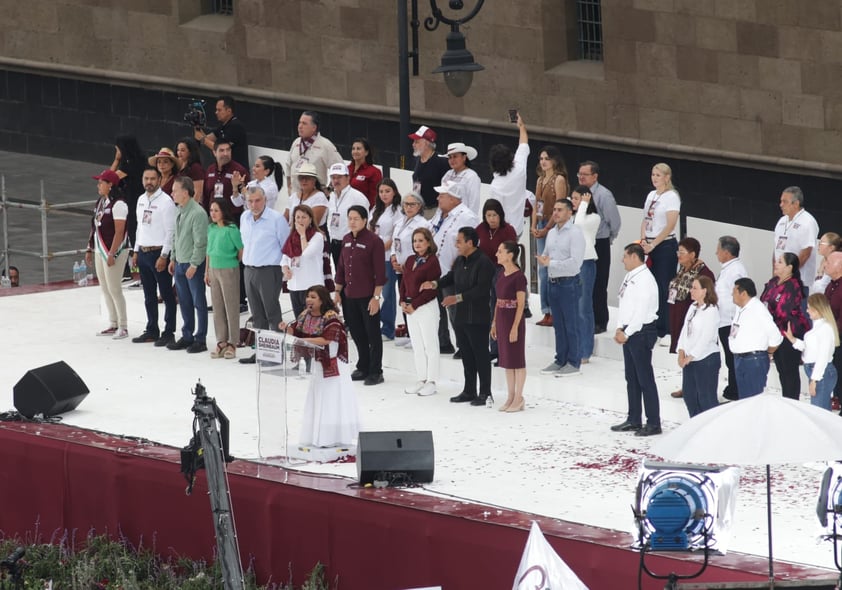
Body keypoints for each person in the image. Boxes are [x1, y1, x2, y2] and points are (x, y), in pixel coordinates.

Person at [280, 285, 360, 448]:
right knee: (319, 397)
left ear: (322, 300)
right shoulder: (305, 315)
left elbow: (326, 340)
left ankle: (334, 436)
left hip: (333, 364)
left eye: (313, 297)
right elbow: (296, 332)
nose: (309, 300)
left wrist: (305, 341)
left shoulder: (332, 318)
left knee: (332, 399)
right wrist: (286, 329)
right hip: (318, 364)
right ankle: (319, 436)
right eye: (308, 296)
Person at [423, 226, 496, 406]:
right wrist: (434, 284)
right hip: (462, 316)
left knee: (480, 355)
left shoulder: (484, 262)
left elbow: (481, 289)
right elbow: (451, 277)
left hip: (478, 316)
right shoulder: (460, 260)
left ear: (470, 243)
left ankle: (485, 392)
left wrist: (456, 298)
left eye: (459, 241)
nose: (456, 245)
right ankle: (469, 390)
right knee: (467, 354)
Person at [611, 243, 661, 436]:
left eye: (625, 256)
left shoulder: (645, 280)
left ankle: (653, 422)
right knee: (631, 377)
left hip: (640, 332)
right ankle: (634, 418)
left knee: (644, 378)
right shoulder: (630, 276)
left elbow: (640, 312)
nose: (622, 260)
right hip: (629, 331)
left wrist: (627, 331)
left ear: (634, 256)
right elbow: (624, 303)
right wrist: (619, 326)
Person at [334, 205, 386, 386]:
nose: (352, 222)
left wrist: (376, 298)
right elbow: (341, 268)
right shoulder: (346, 239)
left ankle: (376, 370)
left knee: (372, 334)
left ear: (365, 220)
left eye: (356, 218)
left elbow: (380, 273)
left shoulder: (374, 241)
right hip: (350, 296)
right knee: (356, 333)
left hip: (368, 296)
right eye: (350, 218)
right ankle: (363, 365)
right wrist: (337, 292)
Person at [238, 185, 290, 364]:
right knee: (257, 314)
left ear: (265, 200)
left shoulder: (276, 219)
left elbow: (286, 245)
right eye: (250, 201)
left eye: (257, 200)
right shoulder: (244, 217)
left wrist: (285, 267)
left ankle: (276, 353)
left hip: (269, 270)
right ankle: (261, 351)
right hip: (249, 269)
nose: (254, 204)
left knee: (272, 312)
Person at [430, 182, 481, 355]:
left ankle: (465, 345)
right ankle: (443, 342)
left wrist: (460, 261)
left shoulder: (466, 216)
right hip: (436, 269)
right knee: (438, 309)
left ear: (452, 198)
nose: (438, 198)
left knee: (456, 310)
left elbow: (472, 243)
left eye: (441, 195)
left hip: (454, 271)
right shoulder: (440, 214)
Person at [537, 199, 585, 377]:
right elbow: (547, 254)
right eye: (554, 209)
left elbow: (575, 263)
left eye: (559, 210)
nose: (555, 213)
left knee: (571, 324)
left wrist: (552, 263)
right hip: (553, 282)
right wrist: (544, 259)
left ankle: (574, 361)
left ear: (569, 212)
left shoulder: (575, 233)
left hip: (568, 283)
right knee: (558, 324)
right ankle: (560, 359)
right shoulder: (551, 233)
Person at [131, 166, 177, 347]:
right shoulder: (141, 199)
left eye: (152, 179)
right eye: (146, 178)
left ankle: (169, 331)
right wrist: (136, 250)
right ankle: (152, 329)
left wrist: (164, 256)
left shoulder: (166, 202)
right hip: (143, 252)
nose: (149, 182)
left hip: (159, 253)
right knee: (148, 295)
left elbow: (170, 232)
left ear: (159, 180)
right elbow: (139, 227)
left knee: (166, 294)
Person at [666, 238, 715, 398]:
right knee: (683, 349)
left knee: (693, 351)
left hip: (695, 319)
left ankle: (694, 388)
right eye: (678, 251)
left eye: (682, 252)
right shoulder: (683, 269)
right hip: (679, 317)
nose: (678, 255)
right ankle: (687, 386)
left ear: (693, 254)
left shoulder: (703, 273)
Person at [577, 160, 621, 334]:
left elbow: (614, 221)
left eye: (585, 174)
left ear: (595, 176)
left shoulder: (603, 195)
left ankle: (600, 321)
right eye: (579, 174)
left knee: (599, 281)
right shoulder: (579, 192)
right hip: (582, 242)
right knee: (584, 282)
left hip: (599, 241)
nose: (581, 177)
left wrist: (609, 236)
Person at [86, 169, 130, 339]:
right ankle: (113, 322)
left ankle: (123, 325)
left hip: (114, 251)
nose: (98, 185)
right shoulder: (100, 202)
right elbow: (94, 227)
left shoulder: (119, 204)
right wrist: (89, 248)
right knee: (104, 287)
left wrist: (112, 253)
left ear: (110, 185)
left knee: (114, 288)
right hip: (99, 249)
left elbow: (120, 231)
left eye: (101, 182)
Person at [760, 252, 810, 400]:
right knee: (782, 370)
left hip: (789, 334)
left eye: (780, 262)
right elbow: (763, 300)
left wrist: (767, 317)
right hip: (775, 333)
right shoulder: (773, 281)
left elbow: (784, 311)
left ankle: (792, 402)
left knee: (789, 372)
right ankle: (786, 401)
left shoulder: (793, 286)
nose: (776, 263)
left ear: (789, 267)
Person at [167, 176, 209, 354]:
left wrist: (193, 264)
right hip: (179, 263)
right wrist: (173, 257)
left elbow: (201, 243)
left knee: (199, 302)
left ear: (185, 193)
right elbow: (175, 236)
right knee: (184, 301)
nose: (172, 193)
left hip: (193, 265)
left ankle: (201, 338)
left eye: (175, 190)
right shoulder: (178, 210)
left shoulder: (198, 213)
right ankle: (187, 335)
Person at [640, 162, 680, 343]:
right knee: (650, 286)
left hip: (664, 245)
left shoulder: (671, 197)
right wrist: (643, 240)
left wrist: (654, 243)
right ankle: (652, 323)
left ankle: (666, 327)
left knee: (664, 286)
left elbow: (670, 224)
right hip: (648, 244)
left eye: (658, 175)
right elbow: (645, 219)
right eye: (652, 174)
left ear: (667, 177)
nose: (654, 178)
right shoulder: (651, 195)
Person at [400, 227, 442, 396]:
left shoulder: (432, 262)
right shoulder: (410, 260)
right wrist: (402, 300)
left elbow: (431, 289)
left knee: (430, 345)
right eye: (415, 241)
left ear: (428, 242)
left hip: (425, 307)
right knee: (417, 345)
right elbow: (404, 282)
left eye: (421, 241)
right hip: (410, 309)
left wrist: (415, 304)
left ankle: (432, 380)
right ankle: (421, 378)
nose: (417, 244)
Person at [531, 146, 569, 327]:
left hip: (553, 226)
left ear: (554, 160)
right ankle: (546, 309)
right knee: (542, 270)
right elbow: (536, 205)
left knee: (551, 268)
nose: (543, 161)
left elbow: (559, 206)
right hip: (540, 224)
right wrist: (533, 225)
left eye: (546, 158)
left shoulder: (559, 179)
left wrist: (547, 228)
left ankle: (554, 310)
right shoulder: (540, 180)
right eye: (541, 158)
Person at [476, 198, 517, 361]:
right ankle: (493, 348)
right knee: (489, 310)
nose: (491, 219)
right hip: (485, 272)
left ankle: (503, 350)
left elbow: (512, 253)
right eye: (488, 215)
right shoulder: (480, 229)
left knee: (501, 311)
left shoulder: (508, 230)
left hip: (502, 272)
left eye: (494, 215)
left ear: (500, 215)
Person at [729, 277, 784, 399]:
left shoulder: (758, 309)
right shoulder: (740, 308)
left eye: (734, 291)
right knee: (744, 400)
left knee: (753, 400)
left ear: (743, 293)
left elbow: (776, 336)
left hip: (753, 360)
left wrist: (768, 352)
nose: (731, 294)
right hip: (740, 359)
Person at [390, 191, 431, 345]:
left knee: (414, 299)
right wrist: (393, 257)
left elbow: (422, 248)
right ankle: (409, 332)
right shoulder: (400, 221)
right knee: (404, 298)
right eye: (406, 204)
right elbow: (395, 242)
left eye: (412, 204)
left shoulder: (422, 224)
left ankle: (418, 336)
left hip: (413, 269)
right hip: (399, 268)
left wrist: (407, 266)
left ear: (419, 206)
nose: (408, 207)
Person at [676, 276, 721, 417]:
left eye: (695, 288)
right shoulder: (693, 307)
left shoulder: (711, 311)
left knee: (706, 398)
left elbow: (706, 337)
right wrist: (681, 351)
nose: (691, 291)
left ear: (705, 291)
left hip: (705, 359)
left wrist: (691, 356)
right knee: (690, 395)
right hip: (690, 359)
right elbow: (685, 329)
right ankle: (694, 425)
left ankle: (710, 431)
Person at [786, 293, 839, 411]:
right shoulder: (818, 327)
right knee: (821, 410)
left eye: (809, 307)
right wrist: (793, 340)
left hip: (821, 373)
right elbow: (810, 349)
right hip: (817, 371)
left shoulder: (825, 328)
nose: (807, 310)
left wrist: (815, 379)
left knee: (818, 411)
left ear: (817, 309)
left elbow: (823, 356)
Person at [492, 241, 528, 412]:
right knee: (507, 360)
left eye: (500, 251)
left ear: (510, 255)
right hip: (501, 319)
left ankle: (519, 397)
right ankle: (510, 395)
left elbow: (520, 304)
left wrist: (515, 327)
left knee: (517, 360)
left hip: (513, 319)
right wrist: (494, 323)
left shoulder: (519, 277)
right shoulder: (501, 274)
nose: (497, 254)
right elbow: (498, 301)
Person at [205, 198, 243, 360]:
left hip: (228, 269)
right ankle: (221, 339)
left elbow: (240, 249)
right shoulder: (211, 228)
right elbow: (209, 251)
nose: (213, 213)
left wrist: (234, 263)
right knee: (217, 307)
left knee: (231, 306)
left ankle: (233, 342)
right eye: (211, 210)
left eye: (216, 210)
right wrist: (207, 271)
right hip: (214, 268)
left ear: (223, 212)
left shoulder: (232, 229)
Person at [281, 204, 333, 319]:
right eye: (298, 217)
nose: (300, 220)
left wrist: (302, 235)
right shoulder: (291, 237)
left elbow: (307, 254)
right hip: (294, 285)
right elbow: (284, 258)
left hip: (311, 286)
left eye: (304, 217)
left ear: (310, 219)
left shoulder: (318, 236)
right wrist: (285, 269)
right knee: (299, 321)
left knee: (312, 321)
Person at [714, 236, 748, 401]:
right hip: (723, 320)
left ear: (726, 252)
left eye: (718, 249)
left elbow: (740, 296)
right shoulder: (728, 268)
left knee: (732, 356)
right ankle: (733, 387)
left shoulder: (735, 271)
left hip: (730, 321)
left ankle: (736, 389)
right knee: (729, 357)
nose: (716, 252)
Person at [571, 185, 601, 364]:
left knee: (584, 308)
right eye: (573, 199)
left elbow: (579, 225)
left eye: (577, 198)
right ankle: (575, 347)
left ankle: (585, 350)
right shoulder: (574, 216)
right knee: (573, 308)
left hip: (586, 263)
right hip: (573, 264)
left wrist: (583, 204)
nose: (573, 202)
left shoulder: (593, 218)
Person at [370, 179, 403, 341]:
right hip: (373, 257)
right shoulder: (376, 209)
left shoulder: (398, 211)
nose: (384, 194)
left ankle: (388, 328)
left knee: (388, 293)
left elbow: (395, 236)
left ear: (394, 192)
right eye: (381, 191)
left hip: (387, 257)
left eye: (387, 191)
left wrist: (378, 250)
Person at [489, 113, 530, 239]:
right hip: (517, 229)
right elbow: (523, 143)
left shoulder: (496, 186)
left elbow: (495, 212)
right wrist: (521, 126)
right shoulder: (520, 169)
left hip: (502, 232)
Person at [773, 186, 819, 297]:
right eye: (781, 201)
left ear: (796, 203)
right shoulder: (782, 221)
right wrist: (775, 274)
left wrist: (789, 274)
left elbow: (806, 252)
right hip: (781, 278)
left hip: (798, 281)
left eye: (785, 202)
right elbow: (777, 249)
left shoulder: (807, 222)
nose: (781, 205)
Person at [286, 110, 343, 194]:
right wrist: (289, 187)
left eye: (304, 123)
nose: (300, 126)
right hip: (295, 195)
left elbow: (339, 168)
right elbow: (288, 165)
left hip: (315, 195)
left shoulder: (325, 145)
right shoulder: (296, 142)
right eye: (299, 123)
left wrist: (329, 190)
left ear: (314, 127)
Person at [110, 135, 146, 260]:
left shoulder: (132, 164)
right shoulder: (137, 161)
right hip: (134, 202)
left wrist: (116, 160)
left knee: (134, 233)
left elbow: (108, 179)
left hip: (134, 203)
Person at [326, 162, 369, 265]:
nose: (336, 180)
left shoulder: (357, 197)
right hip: (335, 243)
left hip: (352, 244)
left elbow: (366, 222)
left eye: (339, 177)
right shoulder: (331, 197)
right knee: (340, 278)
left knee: (353, 278)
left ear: (347, 178)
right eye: (333, 177)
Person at [194, 95, 250, 169]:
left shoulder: (236, 126)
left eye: (219, 110)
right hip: (224, 168)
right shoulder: (224, 126)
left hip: (236, 170)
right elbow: (208, 138)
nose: (216, 112)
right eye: (216, 110)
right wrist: (197, 125)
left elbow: (220, 148)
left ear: (229, 111)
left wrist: (202, 139)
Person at [409, 125, 450, 216]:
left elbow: (448, 187)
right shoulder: (417, 159)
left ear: (426, 143)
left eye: (417, 142)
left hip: (434, 210)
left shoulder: (441, 161)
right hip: (419, 208)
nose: (413, 144)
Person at [203, 139, 249, 215]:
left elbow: (247, 197)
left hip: (232, 217)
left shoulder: (239, 170)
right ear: (214, 153)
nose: (225, 153)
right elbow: (206, 196)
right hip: (213, 216)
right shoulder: (210, 170)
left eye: (228, 150)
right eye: (221, 150)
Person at [284, 162, 330, 231]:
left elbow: (313, 223)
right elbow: (284, 219)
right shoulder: (293, 197)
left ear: (314, 180)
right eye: (301, 178)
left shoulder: (320, 197)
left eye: (307, 178)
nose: (304, 180)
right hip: (292, 235)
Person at [441, 142, 482, 216]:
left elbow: (474, 203)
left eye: (455, 156)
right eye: (450, 157)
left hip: (463, 218)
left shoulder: (471, 176)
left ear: (464, 157)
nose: (452, 160)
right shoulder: (447, 175)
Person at [349, 138, 383, 207]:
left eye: (358, 149)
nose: (355, 151)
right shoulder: (346, 169)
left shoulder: (374, 172)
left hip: (363, 211)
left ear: (366, 152)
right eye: (353, 149)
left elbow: (375, 197)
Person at [175, 137, 206, 202]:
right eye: (178, 150)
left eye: (182, 150)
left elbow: (198, 192)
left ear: (190, 151)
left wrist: (191, 208)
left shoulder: (195, 167)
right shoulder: (180, 166)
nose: (179, 153)